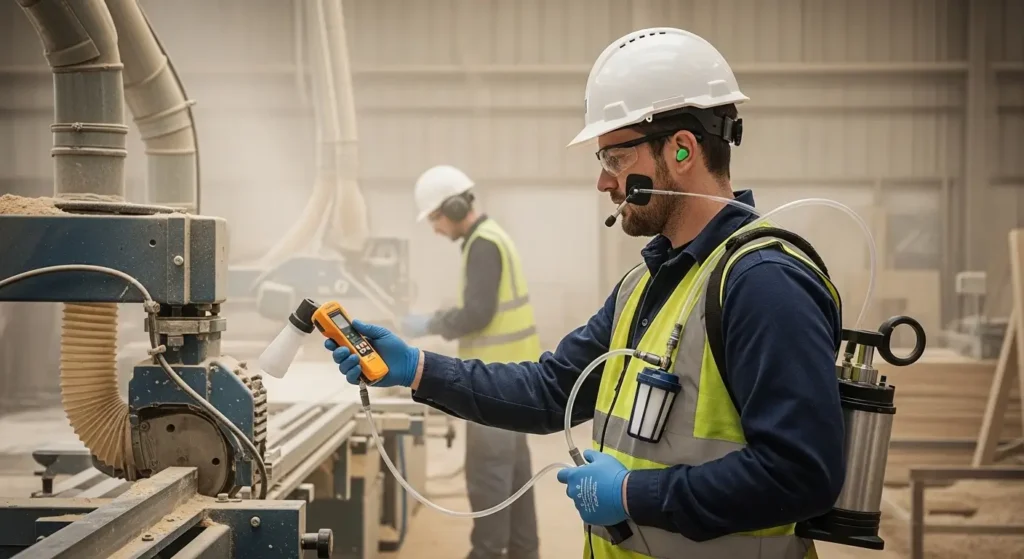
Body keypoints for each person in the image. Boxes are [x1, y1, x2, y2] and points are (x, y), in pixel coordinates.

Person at [327, 28, 845, 559]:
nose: (603, 182)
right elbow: (552, 390)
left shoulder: (763, 283)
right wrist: (416, 368)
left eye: (614, 159)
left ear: (682, 149)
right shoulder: (644, 285)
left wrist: (633, 494)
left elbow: (801, 474)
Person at [399, 164, 542, 559]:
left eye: (435, 218)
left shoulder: (482, 244)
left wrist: (432, 322)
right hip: (515, 382)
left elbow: (478, 314)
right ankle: (524, 553)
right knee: (515, 480)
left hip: (494, 386)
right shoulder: (492, 237)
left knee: (489, 479)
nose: (435, 228)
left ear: (456, 208)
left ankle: (486, 553)